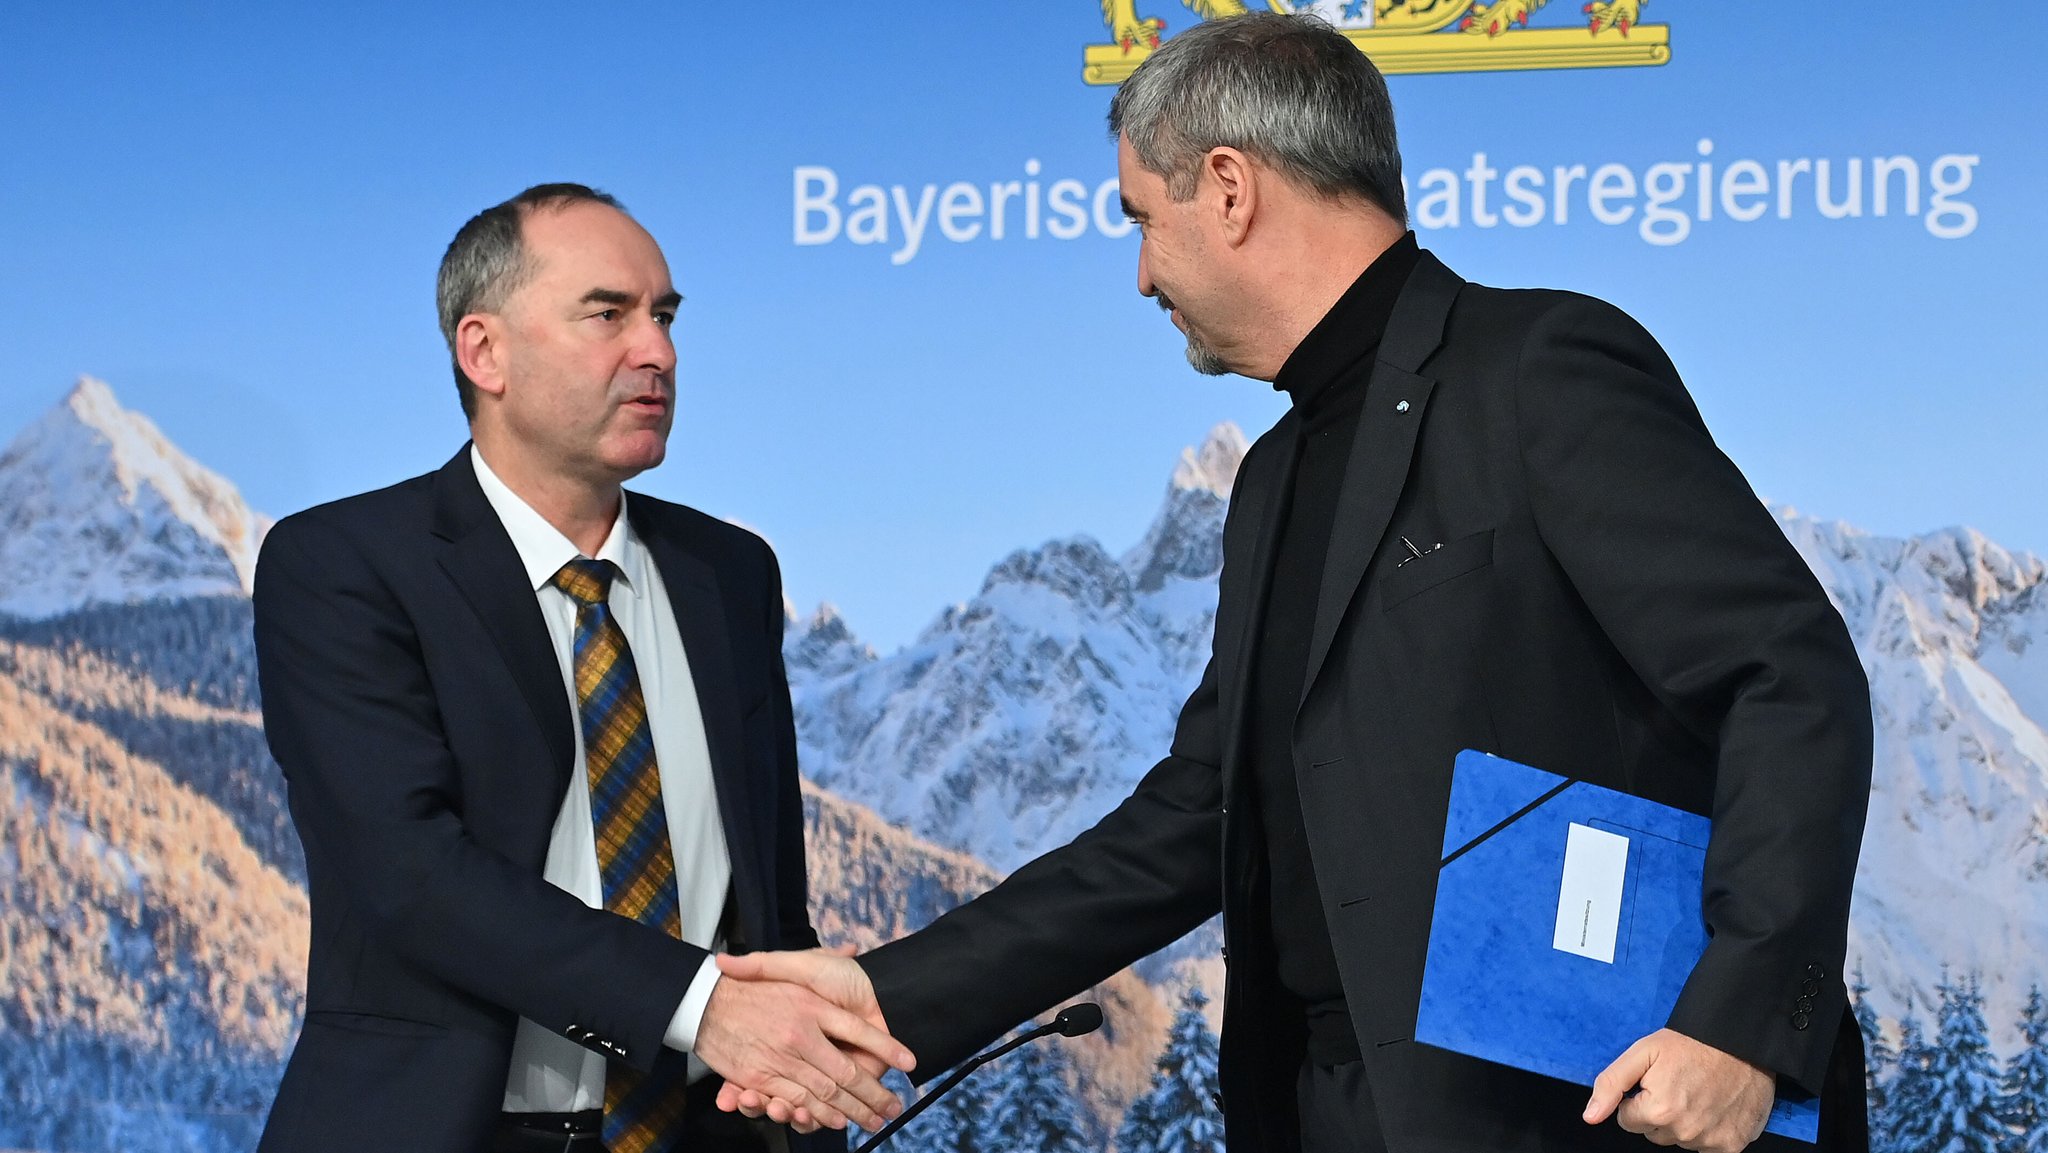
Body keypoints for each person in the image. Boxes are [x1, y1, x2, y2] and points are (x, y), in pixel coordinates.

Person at [713, 15, 1873, 1153]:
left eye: (1140, 219)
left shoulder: (1539, 369)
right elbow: (1193, 817)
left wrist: (1739, 1028)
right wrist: (881, 996)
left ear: (1226, 188)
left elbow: (1786, 674)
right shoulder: (1272, 473)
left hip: (1578, 1116)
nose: (1136, 276)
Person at [252, 183, 912, 1153]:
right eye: (608, 314)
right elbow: (409, 874)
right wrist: (697, 1007)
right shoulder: (341, 563)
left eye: (665, 316)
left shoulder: (730, 574)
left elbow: (768, 905)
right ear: (485, 352)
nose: (658, 352)